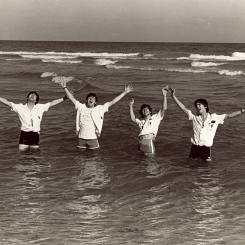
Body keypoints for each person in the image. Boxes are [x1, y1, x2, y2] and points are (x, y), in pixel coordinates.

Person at [169, 87, 245, 161]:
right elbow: (183, 108)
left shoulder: (214, 117)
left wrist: (242, 111)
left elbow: (229, 115)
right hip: (194, 148)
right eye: (196, 105)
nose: (197, 106)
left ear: (205, 106)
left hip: (205, 149)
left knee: (207, 171)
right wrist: (173, 96)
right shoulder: (194, 118)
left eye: (199, 104)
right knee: (192, 169)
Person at [57, 76, 133, 150]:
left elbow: (113, 101)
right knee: (80, 158)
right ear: (86, 100)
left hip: (93, 138)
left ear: (95, 102)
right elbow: (71, 98)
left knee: (94, 158)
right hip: (81, 138)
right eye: (89, 98)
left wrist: (125, 92)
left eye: (93, 98)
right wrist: (65, 87)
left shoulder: (100, 108)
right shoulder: (81, 107)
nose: (91, 99)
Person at [0, 91, 68, 151]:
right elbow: (7, 103)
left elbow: (52, 103)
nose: (32, 95)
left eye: (34, 95)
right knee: (22, 156)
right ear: (27, 98)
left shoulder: (40, 107)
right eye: (31, 94)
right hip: (24, 134)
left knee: (35, 157)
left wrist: (64, 98)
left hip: (35, 135)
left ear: (36, 100)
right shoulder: (20, 107)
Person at [129, 86, 168, 155]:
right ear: (142, 113)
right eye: (143, 110)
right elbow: (133, 119)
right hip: (140, 143)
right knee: (141, 164)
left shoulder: (156, 117)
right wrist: (131, 106)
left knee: (150, 163)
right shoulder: (142, 122)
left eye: (146, 109)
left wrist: (164, 96)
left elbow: (164, 109)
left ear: (150, 111)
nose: (145, 111)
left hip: (148, 141)